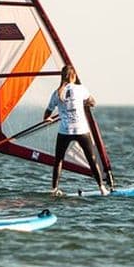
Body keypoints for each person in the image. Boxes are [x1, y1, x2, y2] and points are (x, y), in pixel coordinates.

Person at [43, 64, 109, 196]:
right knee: (92, 159)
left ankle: (54, 189)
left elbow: (47, 114)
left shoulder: (56, 93)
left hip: (65, 131)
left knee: (58, 160)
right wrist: (83, 103)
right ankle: (102, 188)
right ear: (73, 76)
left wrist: (48, 119)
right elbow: (93, 102)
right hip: (81, 130)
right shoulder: (81, 89)